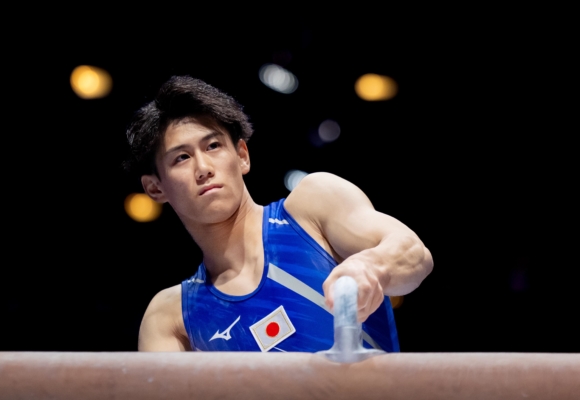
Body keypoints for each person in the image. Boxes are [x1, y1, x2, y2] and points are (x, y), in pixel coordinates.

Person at [126, 76, 433, 352]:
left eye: (213, 146)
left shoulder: (312, 207)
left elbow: (414, 253)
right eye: (182, 157)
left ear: (242, 156)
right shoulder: (171, 318)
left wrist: (372, 267)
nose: (204, 168)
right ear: (155, 188)